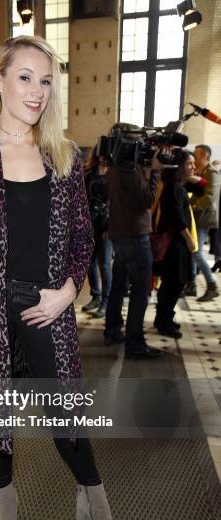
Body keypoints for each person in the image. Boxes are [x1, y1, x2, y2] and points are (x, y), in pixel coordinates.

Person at [0, 35, 130, 520]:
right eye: (25, 77)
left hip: (46, 309)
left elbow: (83, 237)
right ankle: (7, 505)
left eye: (46, 80)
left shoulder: (60, 155)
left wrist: (70, 289)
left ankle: (96, 500)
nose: (37, 91)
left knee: (65, 415)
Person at [103, 124, 165, 359]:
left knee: (119, 285)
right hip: (135, 236)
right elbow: (147, 199)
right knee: (140, 291)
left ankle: (112, 330)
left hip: (119, 234)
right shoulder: (130, 169)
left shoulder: (114, 166)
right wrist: (156, 171)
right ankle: (135, 343)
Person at [154, 150, 197, 338]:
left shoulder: (177, 185)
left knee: (174, 283)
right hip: (175, 243)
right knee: (173, 283)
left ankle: (165, 317)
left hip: (177, 242)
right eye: (189, 164)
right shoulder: (173, 187)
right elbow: (177, 217)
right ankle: (163, 321)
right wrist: (188, 238)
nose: (193, 167)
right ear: (179, 166)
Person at [185, 145, 221, 301]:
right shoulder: (201, 172)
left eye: (196, 154)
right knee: (192, 251)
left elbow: (209, 197)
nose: (193, 156)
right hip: (196, 216)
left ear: (205, 155)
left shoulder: (213, 172)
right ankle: (191, 284)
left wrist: (191, 205)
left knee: (196, 252)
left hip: (204, 217)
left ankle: (212, 284)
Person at [81, 147, 112, 318]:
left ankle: (106, 302)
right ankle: (96, 296)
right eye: (100, 153)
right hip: (89, 223)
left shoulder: (114, 174)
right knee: (89, 263)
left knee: (105, 265)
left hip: (106, 225)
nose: (102, 157)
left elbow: (115, 204)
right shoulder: (88, 173)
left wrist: (109, 227)